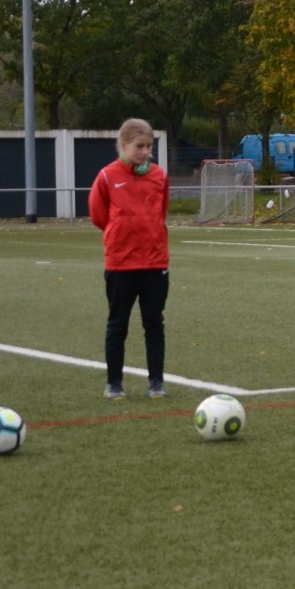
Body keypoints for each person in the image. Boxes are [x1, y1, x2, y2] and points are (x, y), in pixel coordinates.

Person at [88, 119, 171, 400]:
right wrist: (121, 233)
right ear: (124, 145)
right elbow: (99, 216)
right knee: (117, 324)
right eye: (140, 146)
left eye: (149, 146)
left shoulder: (160, 177)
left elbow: (161, 212)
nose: (146, 152)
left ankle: (156, 383)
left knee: (154, 324)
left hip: (155, 263)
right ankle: (114, 383)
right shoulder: (107, 176)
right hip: (121, 264)